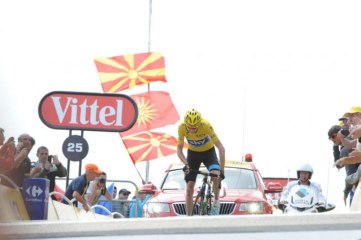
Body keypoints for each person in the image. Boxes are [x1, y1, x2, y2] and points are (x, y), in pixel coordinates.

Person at [177, 108, 225, 216]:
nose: (192, 130)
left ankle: (216, 202)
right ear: (186, 124)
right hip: (193, 155)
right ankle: (188, 216)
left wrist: (222, 171)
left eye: (194, 127)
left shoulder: (206, 125)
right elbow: (179, 150)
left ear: (199, 124)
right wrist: (186, 164)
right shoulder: (181, 127)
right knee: (189, 186)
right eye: (190, 127)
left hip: (209, 153)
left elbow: (221, 149)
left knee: (216, 176)